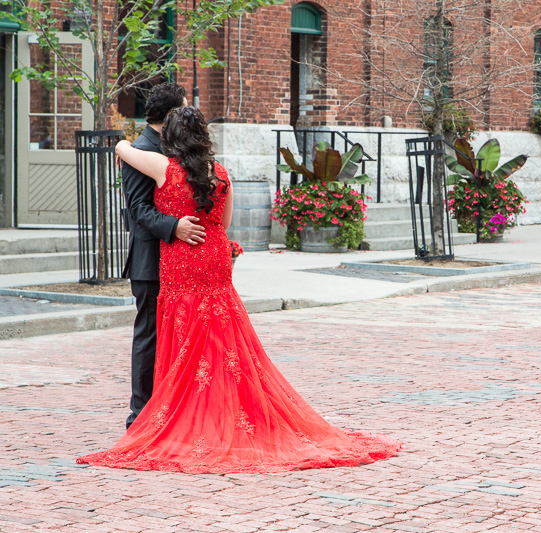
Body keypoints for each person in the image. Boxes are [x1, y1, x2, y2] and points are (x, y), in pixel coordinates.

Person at [78, 106, 401, 473]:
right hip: (214, 254)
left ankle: (190, 418)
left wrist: (127, 137)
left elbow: (122, 149)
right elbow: (226, 222)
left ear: (172, 139)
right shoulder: (221, 173)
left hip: (183, 259)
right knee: (221, 337)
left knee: (186, 337)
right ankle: (227, 410)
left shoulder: (164, 168)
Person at [121, 83, 207, 429]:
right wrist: (175, 227)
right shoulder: (142, 149)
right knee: (150, 336)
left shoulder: (170, 146)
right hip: (150, 262)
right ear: (171, 114)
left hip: (177, 263)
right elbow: (138, 210)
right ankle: (139, 416)